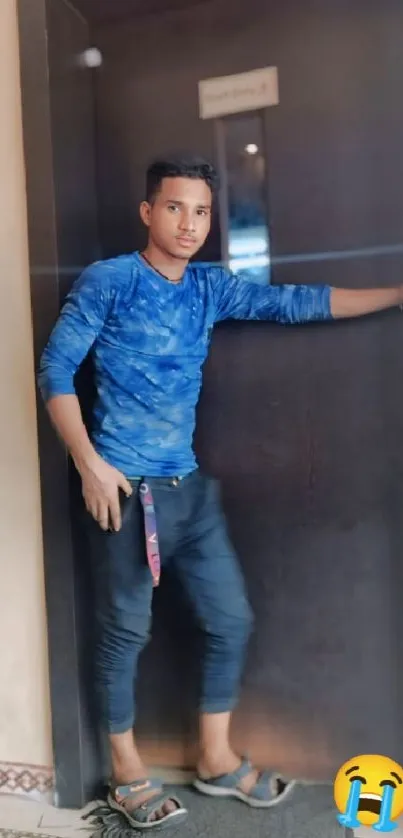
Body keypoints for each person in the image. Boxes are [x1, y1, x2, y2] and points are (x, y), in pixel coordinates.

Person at [38, 154, 403, 831]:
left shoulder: (208, 288)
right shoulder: (111, 280)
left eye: (201, 210)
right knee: (125, 634)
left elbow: (296, 304)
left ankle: (213, 757)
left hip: (190, 493)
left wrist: (394, 293)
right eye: (174, 207)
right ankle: (125, 773)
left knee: (229, 620)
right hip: (124, 494)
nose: (188, 222)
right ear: (148, 211)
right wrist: (90, 464)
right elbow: (54, 370)